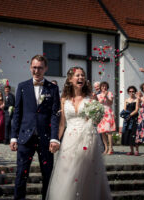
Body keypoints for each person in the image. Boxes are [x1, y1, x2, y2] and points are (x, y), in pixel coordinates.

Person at [47, 66, 112, 200]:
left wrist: (97, 116)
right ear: (70, 79)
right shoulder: (64, 99)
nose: (81, 78)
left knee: (84, 172)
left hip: (88, 138)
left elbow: (96, 119)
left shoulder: (90, 97)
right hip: (69, 139)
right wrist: (56, 140)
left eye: (82, 75)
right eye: (77, 75)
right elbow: (62, 124)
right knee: (68, 171)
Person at [11, 55, 60, 200]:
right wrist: (14, 136)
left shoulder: (53, 88)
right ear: (30, 67)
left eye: (40, 67)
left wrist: (54, 138)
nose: (36, 70)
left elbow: (54, 115)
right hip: (25, 137)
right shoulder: (22, 86)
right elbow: (17, 113)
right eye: (34, 67)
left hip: (45, 138)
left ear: (45, 69)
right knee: (21, 173)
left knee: (47, 174)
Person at [97, 81, 116, 155]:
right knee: (103, 132)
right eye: (102, 86)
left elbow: (110, 103)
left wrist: (106, 96)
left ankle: (111, 148)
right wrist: (103, 97)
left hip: (108, 113)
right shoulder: (98, 95)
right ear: (101, 87)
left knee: (109, 131)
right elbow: (99, 104)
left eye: (105, 86)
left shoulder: (110, 93)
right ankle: (106, 147)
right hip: (101, 114)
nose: (104, 88)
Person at [121, 86, 139, 155]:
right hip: (127, 118)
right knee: (128, 133)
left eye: (133, 91)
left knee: (134, 133)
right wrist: (125, 115)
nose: (131, 93)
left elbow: (136, 109)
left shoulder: (137, 99)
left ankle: (136, 150)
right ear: (128, 92)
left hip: (134, 118)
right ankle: (131, 150)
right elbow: (125, 109)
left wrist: (130, 115)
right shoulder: (126, 100)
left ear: (135, 92)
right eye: (130, 91)